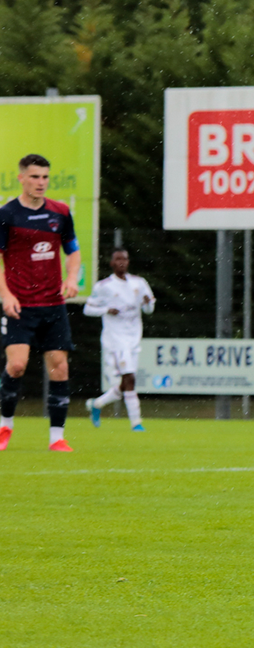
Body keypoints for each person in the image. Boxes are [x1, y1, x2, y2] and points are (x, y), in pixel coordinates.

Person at [0, 154, 82, 452]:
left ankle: (56, 438)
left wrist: (72, 278)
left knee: (59, 368)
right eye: (35, 177)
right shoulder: (7, 215)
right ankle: (5, 426)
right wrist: (6, 295)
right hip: (20, 305)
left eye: (45, 177)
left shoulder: (60, 212)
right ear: (21, 178)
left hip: (53, 304)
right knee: (18, 365)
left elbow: (73, 251)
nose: (41, 183)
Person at [83, 247, 155, 431]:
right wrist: (106, 310)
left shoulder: (139, 283)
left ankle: (96, 404)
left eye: (124, 258)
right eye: (117, 259)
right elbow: (87, 309)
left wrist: (147, 303)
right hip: (115, 339)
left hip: (134, 338)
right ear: (112, 263)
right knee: (129, 378)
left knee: (126, 382)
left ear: (128, 261)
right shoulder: (104, 286)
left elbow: (149, 310)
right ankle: (136, 423)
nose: (121, 262)